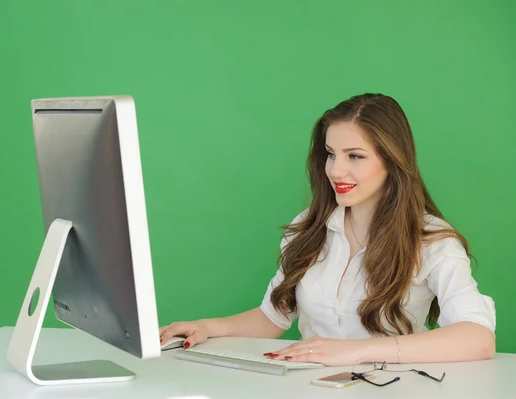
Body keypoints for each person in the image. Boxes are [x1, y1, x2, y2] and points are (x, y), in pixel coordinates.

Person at [159, 93, 496, 366]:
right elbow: (272, 318)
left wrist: (353, 352)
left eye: (355, 156)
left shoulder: (432, 240)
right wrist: (206, 327)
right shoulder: (308, 227)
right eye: (331, 154)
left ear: (392, 162)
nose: (336, 170)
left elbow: (478, 338)